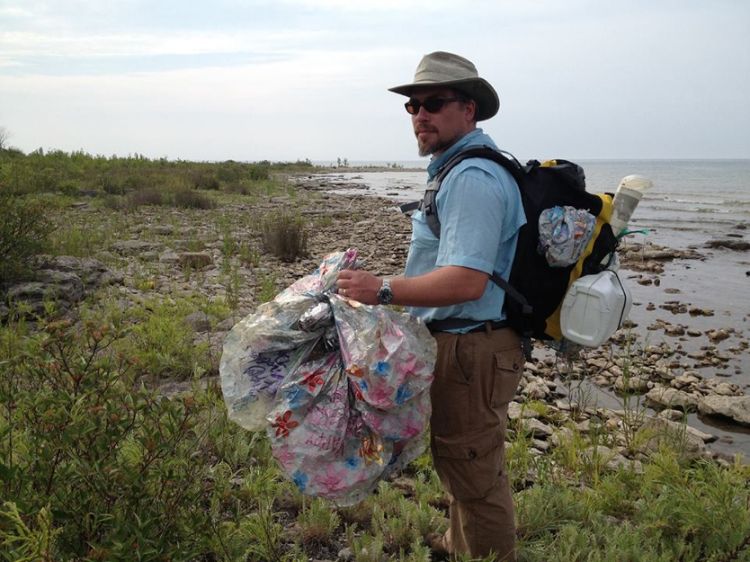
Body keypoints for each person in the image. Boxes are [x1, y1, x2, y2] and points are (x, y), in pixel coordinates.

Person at [336, 51, 526, 561]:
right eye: (413, 106)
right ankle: (457, 544)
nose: (421, 114)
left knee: (475, 473)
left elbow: (466, 280)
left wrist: (383, 290)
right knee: (465, 460)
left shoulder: (471, 179)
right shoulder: (456, 170)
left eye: (434, 103)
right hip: (463, 345)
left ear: (469, 110)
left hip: (472, 349)